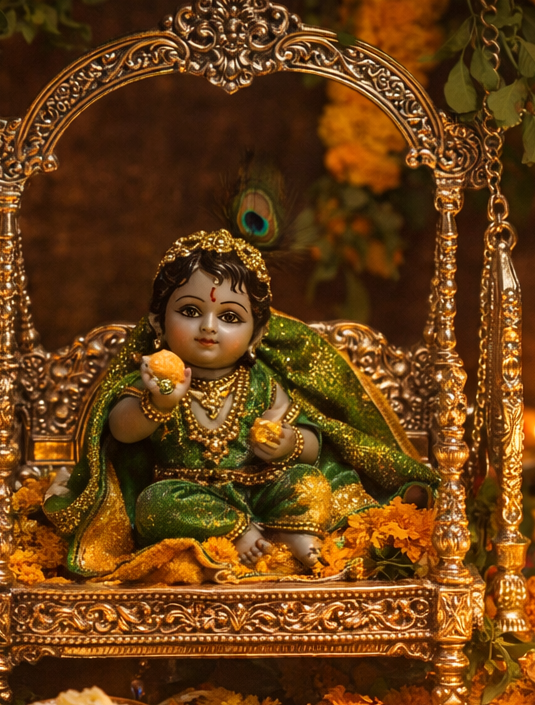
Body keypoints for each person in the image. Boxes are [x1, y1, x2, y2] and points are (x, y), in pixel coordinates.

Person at [44, 229, 433, 579]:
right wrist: (160, 402)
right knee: (153, 504)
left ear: (256, 336)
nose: (209, 327)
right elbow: (120, 430)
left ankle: (291, 534)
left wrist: (288, 443)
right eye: (191, 311)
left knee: (308, 484)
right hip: (188, 497)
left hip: (260, 488)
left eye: (229, 316)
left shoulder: (261, 383)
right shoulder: (154, 380)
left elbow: (314, 446)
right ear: (159, 324)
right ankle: (241, 531)